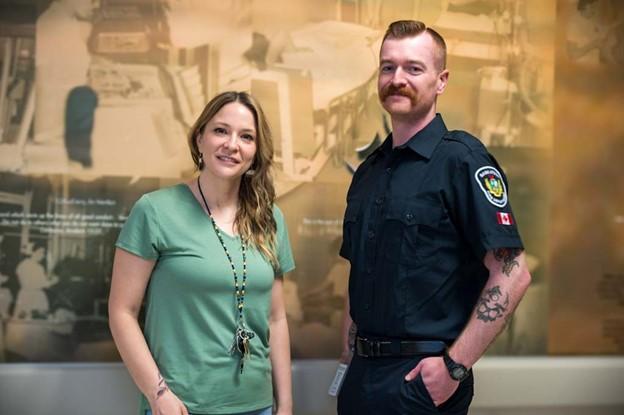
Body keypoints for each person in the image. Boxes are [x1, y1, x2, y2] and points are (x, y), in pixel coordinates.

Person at [337, 20, 531, 415]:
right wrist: (346, 362)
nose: (397, 79)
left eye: (413, 68)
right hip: (361, 377)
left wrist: (454, 368)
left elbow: (513, 272)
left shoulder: (461, 160)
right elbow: (358, 275)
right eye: (388, 67)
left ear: (441, 81)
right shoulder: (368, 172)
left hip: (420, 380)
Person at [109, 91, 295, 415]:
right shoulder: (154, 211)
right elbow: (122, 311)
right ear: (199, 138)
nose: (232, 144)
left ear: (255, 151)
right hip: (182, 406)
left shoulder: (271, 218)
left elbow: (275, 318)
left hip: (258, 406)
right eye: (220, 130)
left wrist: (286, 406)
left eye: (246, 136)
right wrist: (158, 395)